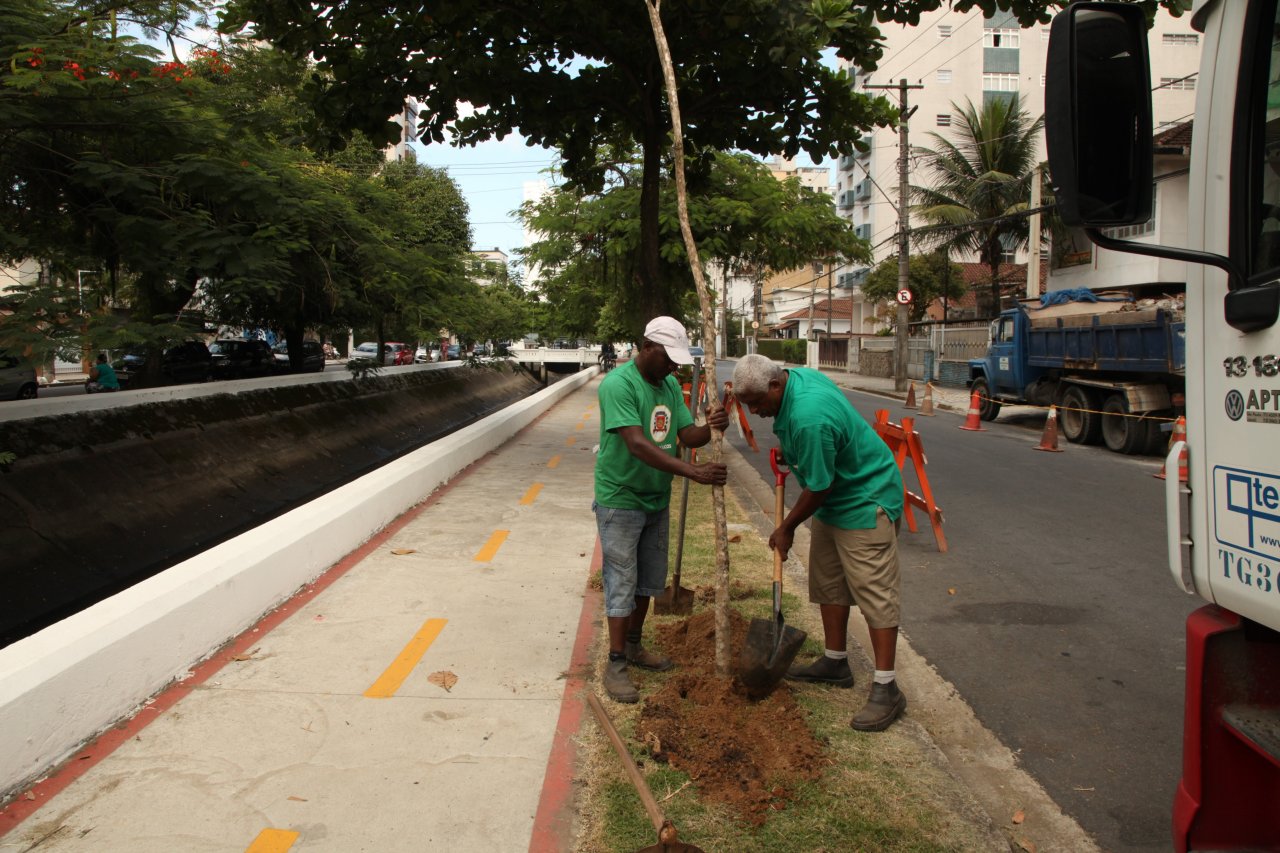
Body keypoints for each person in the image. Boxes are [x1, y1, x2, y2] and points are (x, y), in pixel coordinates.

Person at [730, 353, 906, 731]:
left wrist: (787, 527)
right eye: (749, 405)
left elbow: (820, 484)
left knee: (875, 594)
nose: (757, 412)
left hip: (864, 498)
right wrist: (792, 454)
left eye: (758, 402)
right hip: (834, 500)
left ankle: (887, 687)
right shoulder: (794, 378)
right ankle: (835, 661)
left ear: (776, 385)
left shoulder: (809, 415)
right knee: (829, 583)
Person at [594, 316, 729, 703]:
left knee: (648, 582)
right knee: (622, 580)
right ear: (646, 347)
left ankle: (634, 646)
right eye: (667, 358)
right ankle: (616, 662)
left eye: (676, 360)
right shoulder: (619, 385)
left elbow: (686, 436)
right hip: (620, 499)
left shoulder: (670, 385)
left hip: (655, 498)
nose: (673, 367)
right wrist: (693, 472)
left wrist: (714, 425)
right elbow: (637, 443)